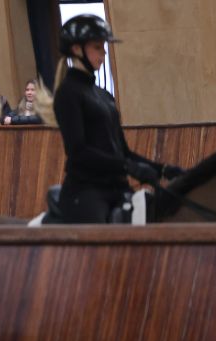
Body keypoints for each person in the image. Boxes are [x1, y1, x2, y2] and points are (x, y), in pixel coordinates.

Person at [46, 14, 183, 224]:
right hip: (86, 192)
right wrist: (127, 167)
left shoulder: (104, 96)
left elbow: (123, 152)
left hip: (118, 188)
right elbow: (78, 151)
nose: (103, 53)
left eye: (103, 47)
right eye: (97, 47)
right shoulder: (68, 93)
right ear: (76, 49)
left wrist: (162, 169)